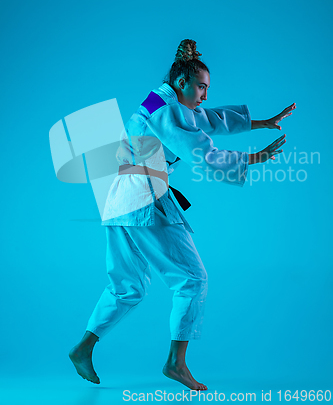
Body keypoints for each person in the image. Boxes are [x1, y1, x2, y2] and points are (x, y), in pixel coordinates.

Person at [69, 39, 296, 390]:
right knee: (193, 279)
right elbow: (203, 154)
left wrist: (262, 122)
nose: (204, 95)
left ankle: (84, 347)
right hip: (143, 200)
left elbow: (206, 119)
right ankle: (176, 362)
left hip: (118, 201)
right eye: (201, 87)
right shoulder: (166, 111)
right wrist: (255, 158)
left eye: (207, 89)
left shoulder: (162, 102)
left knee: (127, 286)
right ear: (182, 83)